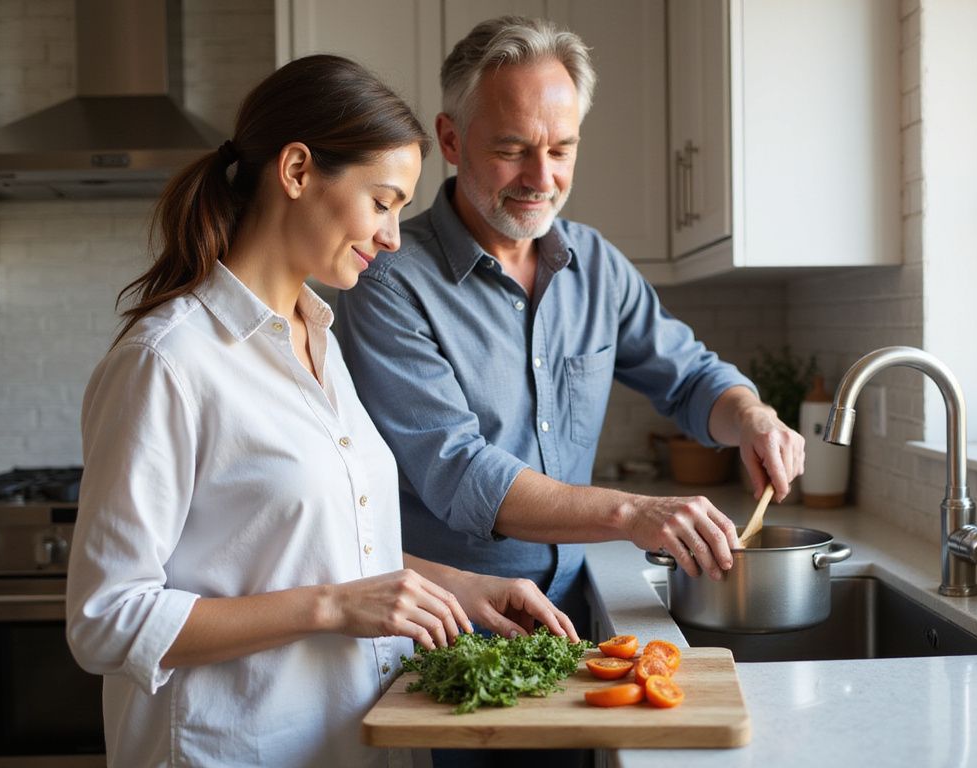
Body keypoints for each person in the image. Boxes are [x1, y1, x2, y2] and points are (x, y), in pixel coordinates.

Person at [65, 55, 577, 768]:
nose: (394, 236)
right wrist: (332, 608)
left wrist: (460, 587)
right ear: (298, 171)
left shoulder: (319, 337)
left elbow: (316, 539)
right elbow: (106, 621)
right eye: (382, 201)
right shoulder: (170, 361)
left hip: (344, 744)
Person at [337, 15, 805, 639]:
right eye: (511, 151)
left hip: (575, 611)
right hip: (450, 627)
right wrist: (633, 511)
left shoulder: (596, 265)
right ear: (450, 140)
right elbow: (460, 473)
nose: (542, 179)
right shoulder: (390, 281)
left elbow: (690, 378)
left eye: (561, 150)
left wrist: (751, 415)